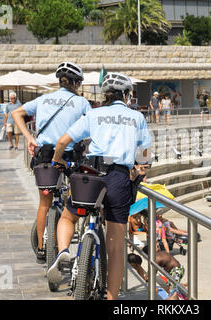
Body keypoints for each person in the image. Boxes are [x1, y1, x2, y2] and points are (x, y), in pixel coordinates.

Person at [50, 72, 152, 300]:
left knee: (67, 217)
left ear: (106, 95)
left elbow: (62, 142)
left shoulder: (93, 114)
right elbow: (144, 156)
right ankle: (111, 297)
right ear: (127, 95)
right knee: (115, 247)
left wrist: (58, 160)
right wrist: (141, 169)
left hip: (92, 175)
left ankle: (64, 251)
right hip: (118, 178)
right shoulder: (137, 117)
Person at [12, 61, 91, 264]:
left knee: (44, 204)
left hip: (45, 155)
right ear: (76, 83)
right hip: (70, 156)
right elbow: (92, 128)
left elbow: (16, 113)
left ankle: (41, 248)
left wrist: (30, 138)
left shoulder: (44, 99)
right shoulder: (81, 103)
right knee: (77, 201)